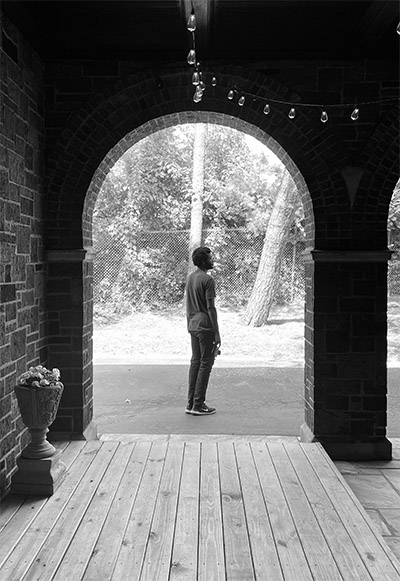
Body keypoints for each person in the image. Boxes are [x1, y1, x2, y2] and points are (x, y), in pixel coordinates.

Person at [185, 246, 221, 415]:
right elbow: (210, 308)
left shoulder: (191, 278)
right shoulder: (207, 280)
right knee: (206, 363)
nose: (212, 260)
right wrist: (217, 332)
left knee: (195, 362)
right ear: (203, 261)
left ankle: (191, 403)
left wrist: (190, 325)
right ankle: (199, 405)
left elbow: (188, 304)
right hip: (205, 326)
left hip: (193, 325)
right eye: (210, 258)